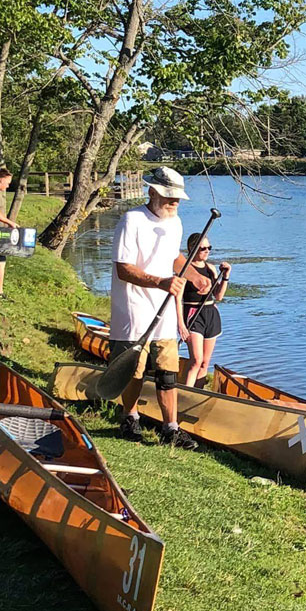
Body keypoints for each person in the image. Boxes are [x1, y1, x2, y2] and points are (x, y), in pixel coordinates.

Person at [109, 166, 210, 448]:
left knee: (167, 372)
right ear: (152, 192)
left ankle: (170, 429)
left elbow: (173, 257)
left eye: (176, 198)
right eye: (168, 197)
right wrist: (160, 282)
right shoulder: (131, 220)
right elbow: (123, 269)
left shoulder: (174, 222)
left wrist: (194, 275)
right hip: (133, 310)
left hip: (164, 310)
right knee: (134, 371)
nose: (174, 202)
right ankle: (130, 418)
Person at [180, 232, 231, 387]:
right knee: (196, 360)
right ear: (192, 248)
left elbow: (218, 296)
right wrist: (181, 324)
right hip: (193, 314)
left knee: (204, 362)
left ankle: (198, 393)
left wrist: (226, 277)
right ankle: (185, 394)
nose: (207, 251)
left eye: (209, 247)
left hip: (211, 315)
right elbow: (177, 298)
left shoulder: (210, 268)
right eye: (203, 248)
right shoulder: (186, 269)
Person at [0, 168, 14, 298]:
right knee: (0, 260)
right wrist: (10, 223)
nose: (8, 185)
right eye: (8, 182)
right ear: (1, 180)